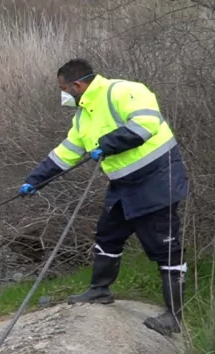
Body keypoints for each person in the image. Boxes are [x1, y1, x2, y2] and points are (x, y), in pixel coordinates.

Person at [19, 58, 189, 336]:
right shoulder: (83, 115)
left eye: (64, 89)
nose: (63, 95)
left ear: (77, 84)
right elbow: (67, 152)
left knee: (165, 249)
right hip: (123, 186)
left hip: (157, 182)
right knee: (107, 235)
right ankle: (100, 290)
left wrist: (107, 144)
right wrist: (35, 180)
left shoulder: (122, 91)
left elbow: (147, 123)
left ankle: (174, 317)